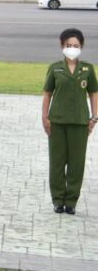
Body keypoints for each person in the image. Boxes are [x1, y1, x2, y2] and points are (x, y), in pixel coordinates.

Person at [41, 28, 96, 215]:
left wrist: (94, 117)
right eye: (69, 45)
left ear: (82, 46)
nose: (72, 48)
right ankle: (58, 200)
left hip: (80, 123)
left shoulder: (87, 69)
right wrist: (45, 117)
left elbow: (93, 94)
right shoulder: (55, 68)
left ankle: (71, 201)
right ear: (62, 45)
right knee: (57, 162)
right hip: (57, 122)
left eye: (76, 45)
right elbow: (47, 94)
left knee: (76, 164)